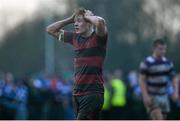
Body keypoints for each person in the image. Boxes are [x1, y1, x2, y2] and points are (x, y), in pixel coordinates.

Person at [46, 8, 108, 120]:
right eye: (75, 21)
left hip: (92, 93)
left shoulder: (99, 38)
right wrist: (70, 19)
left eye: (79, 21)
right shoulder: (75, 37)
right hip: (77, 94)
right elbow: (50, 30)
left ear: (89, 23)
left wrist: (88, 17)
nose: (75, 24)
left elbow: (100, 22)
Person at [139, 39, 179, 120]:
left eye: (164, 49)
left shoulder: (168, 63)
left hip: (164, 96)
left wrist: (176, 92)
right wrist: (145, 96)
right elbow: (142, 80)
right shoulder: (147, 63)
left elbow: (174, 78)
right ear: (154, 49)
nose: (163, 51)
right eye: (160, 49)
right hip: (152, 96)